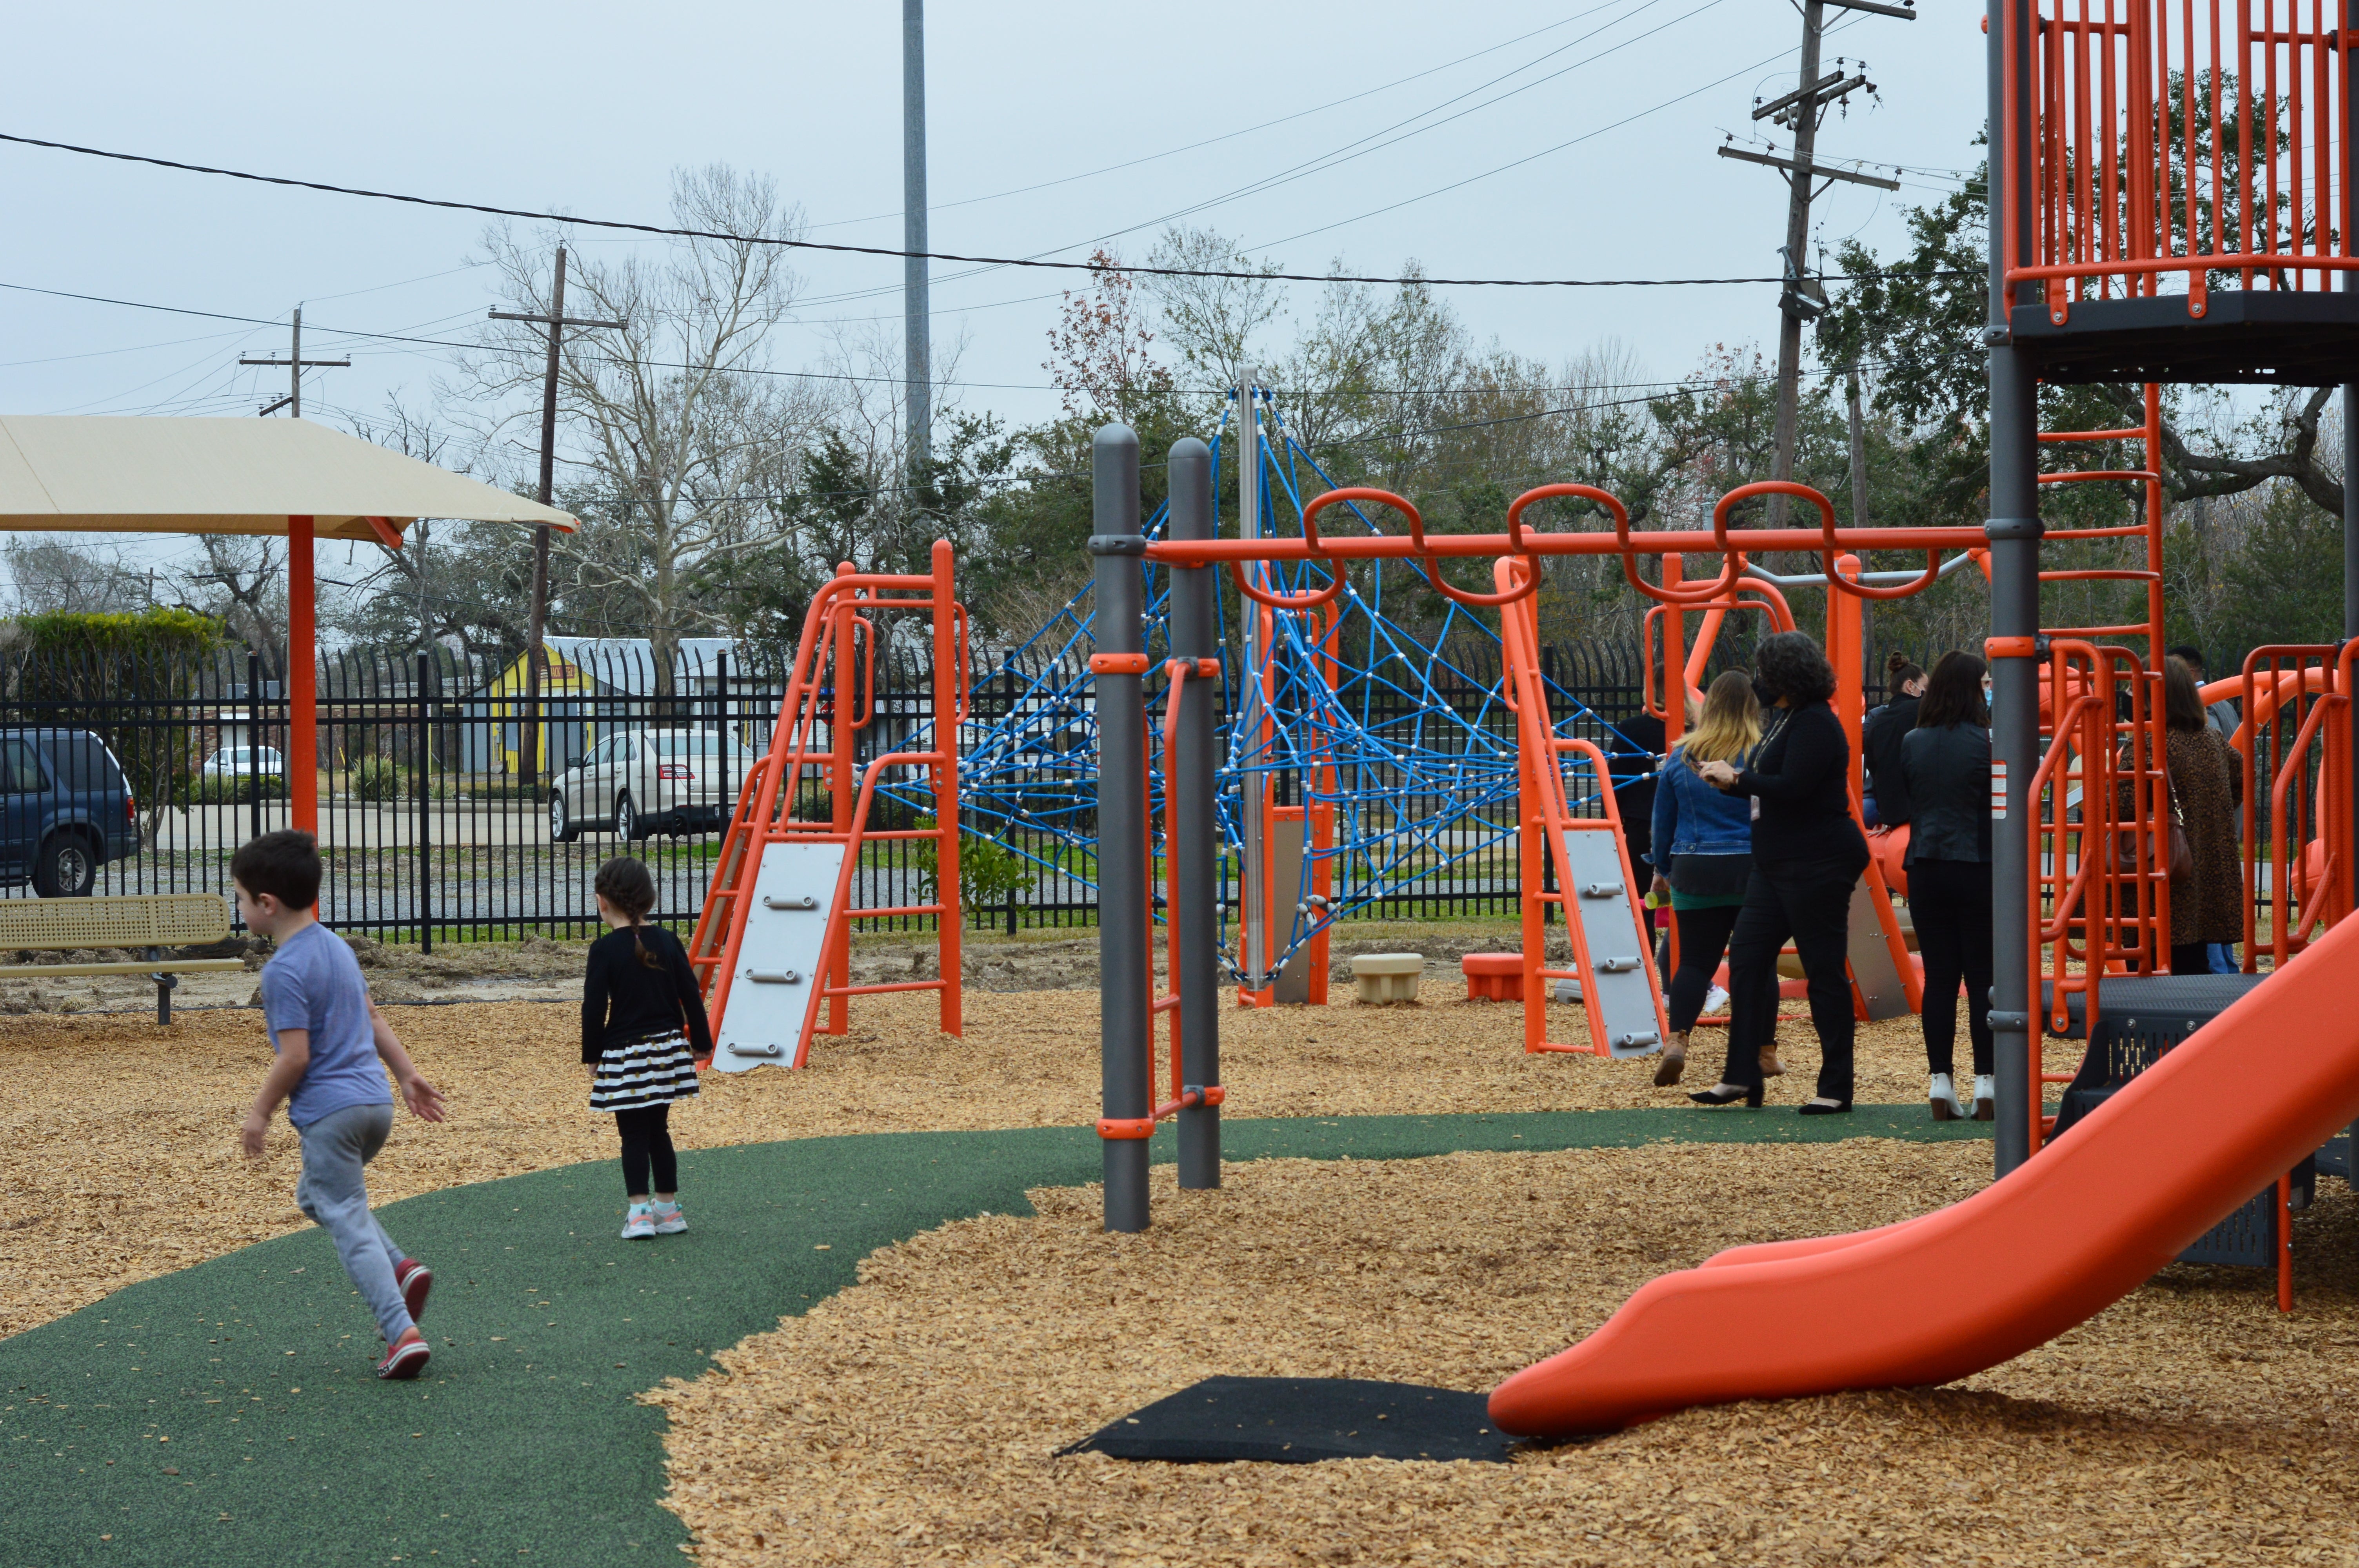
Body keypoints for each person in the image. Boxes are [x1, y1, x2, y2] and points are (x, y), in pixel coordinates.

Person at [234, 829, 447, 1380]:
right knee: (321, 1197)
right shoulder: (336, 948)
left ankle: (401, 1331)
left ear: (267, 904)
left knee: (344, 1214)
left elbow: (295, 1057)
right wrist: (407, 1075)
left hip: (331, 1115)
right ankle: (399, 1267)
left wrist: (260, 1111)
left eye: (239, 898)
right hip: (375, 1105)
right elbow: (374, 1018)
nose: (239, 907)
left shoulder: (282, 971)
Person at [1692, 632, 1870, 1113]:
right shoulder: (1786, 719)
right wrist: (1728, 780)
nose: (1759, 683)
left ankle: (1836, 1086)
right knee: (1748, 963)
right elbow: (1771, 787)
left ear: (1788, 675)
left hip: (1818, 862)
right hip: (1776, 863)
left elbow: (1793, 788)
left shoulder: (1814, 723)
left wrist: (1739, 778)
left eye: (1766, 674)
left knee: (1823, 971)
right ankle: (1741, 1075)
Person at [583, 857, 711, 1239]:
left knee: (633, 1133)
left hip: (625, 1054)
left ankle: (639, 1213)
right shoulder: (668, 940)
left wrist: (592, 1055)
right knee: (659, 1129)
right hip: (669, 1051)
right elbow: (691, 994)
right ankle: (668, 1210)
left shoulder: (603, 950)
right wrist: (701, 1043)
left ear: (602, 901)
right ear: (650, 899)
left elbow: (594, 1007)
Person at [1646, 671, 1761, 1088]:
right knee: (1757, 961)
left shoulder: (1680, 756)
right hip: (1752, 867)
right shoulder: (1760, 754)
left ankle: (1677, 1040)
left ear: (1707, 706)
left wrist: (1663, 868)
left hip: (1694, 866)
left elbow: (1664, 823)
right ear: (1753, 707)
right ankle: (1762, 1049)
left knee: (1694, 960)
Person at [1902, 652, 1994, 1122]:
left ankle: (1941, 1080)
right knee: (1982, 979)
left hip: (1924, 864)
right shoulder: (1990, 743)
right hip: (1978, 864)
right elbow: (2004, 808)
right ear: (1971, 690)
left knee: (1939, 978)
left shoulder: (1912, 741)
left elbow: (1906, 801)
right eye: (1984, 682)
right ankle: (1987, 1082)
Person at [2156, 655, 2244, 977]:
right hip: (2204, 858)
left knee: (2162, 956)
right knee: (2194, 955)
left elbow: (2122, 804)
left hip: (2166, 866)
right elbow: (2243, 775)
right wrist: (2213, 812)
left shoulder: (2153, 741)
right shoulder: (2211, 739)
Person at [1861, 654, 1926, 829]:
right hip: (1922, 811)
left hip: (1891, 812)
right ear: (1910, 686)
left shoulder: (1877, 722)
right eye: (1926, 687)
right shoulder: (1923, 712)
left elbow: (1873, 768)